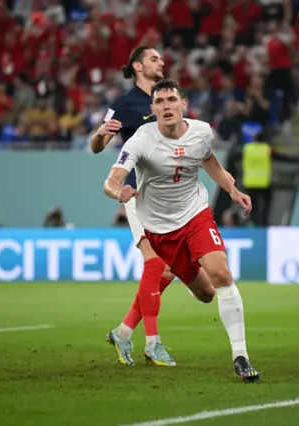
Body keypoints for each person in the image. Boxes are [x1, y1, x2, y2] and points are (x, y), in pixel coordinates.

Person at [103, 79, 260, 382]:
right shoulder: (140, 140)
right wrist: (118, 192)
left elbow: (209, 161)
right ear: (152, 109)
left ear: (183, 104)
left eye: (171, 100)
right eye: (159, 102)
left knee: (222, 273)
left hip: (195, 214)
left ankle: (240, 356)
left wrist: (232, 190)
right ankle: (124, 331)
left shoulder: (201, 132)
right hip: (160, 229)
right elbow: (112, 179)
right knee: (205, 294)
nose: (166, 106)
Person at [91, 46, 177, 367]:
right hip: (137, 195)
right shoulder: (124, 105)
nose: (162, 62)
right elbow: (97, 147)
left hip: (168, 197)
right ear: (138, 66)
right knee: (155, 265)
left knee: (169, 269)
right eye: (155, 59)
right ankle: (153, 343)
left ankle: (124, 332)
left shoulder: (166, 98)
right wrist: (101, 134)